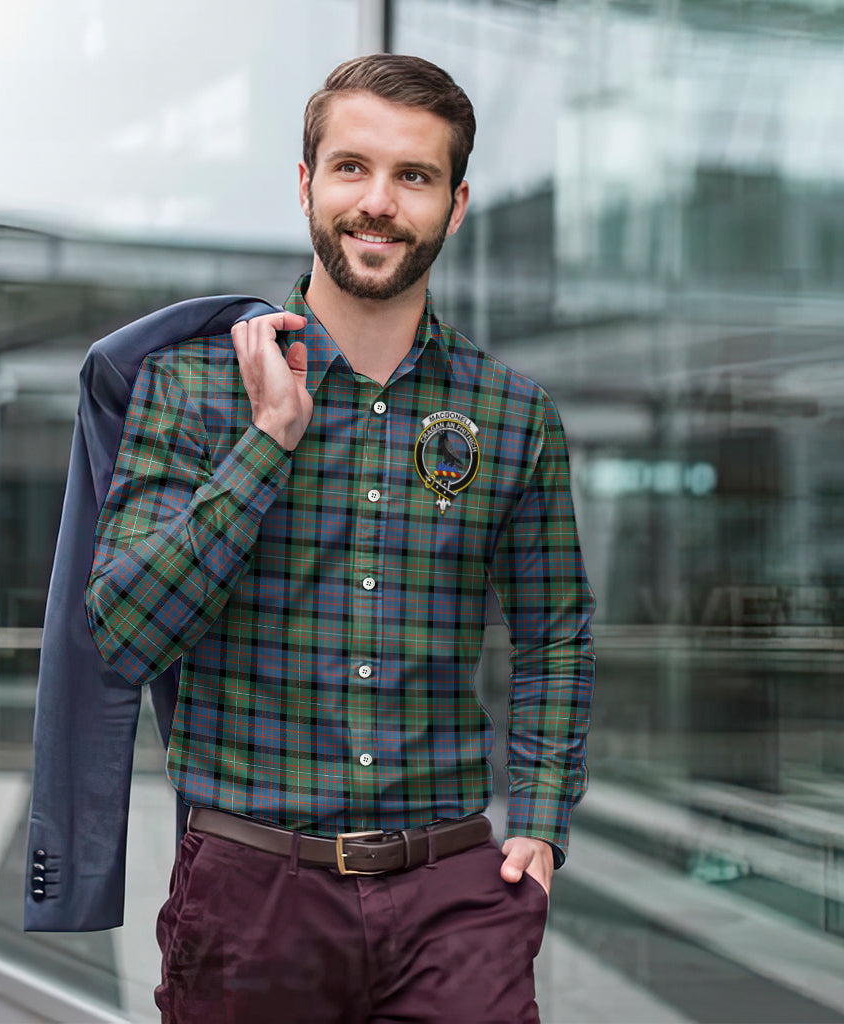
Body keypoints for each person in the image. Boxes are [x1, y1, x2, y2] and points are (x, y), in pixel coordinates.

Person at [86, 53, 594, 1024]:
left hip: (453, 896)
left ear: (456, 203)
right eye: (353, 167)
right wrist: (269, 440)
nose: (379, 202)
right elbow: (123, 632)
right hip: (251, 895)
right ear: (307, 182)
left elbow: (555, 633)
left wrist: (538, 820)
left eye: (415, 176)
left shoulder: (513, 414)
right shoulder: (192, 389)